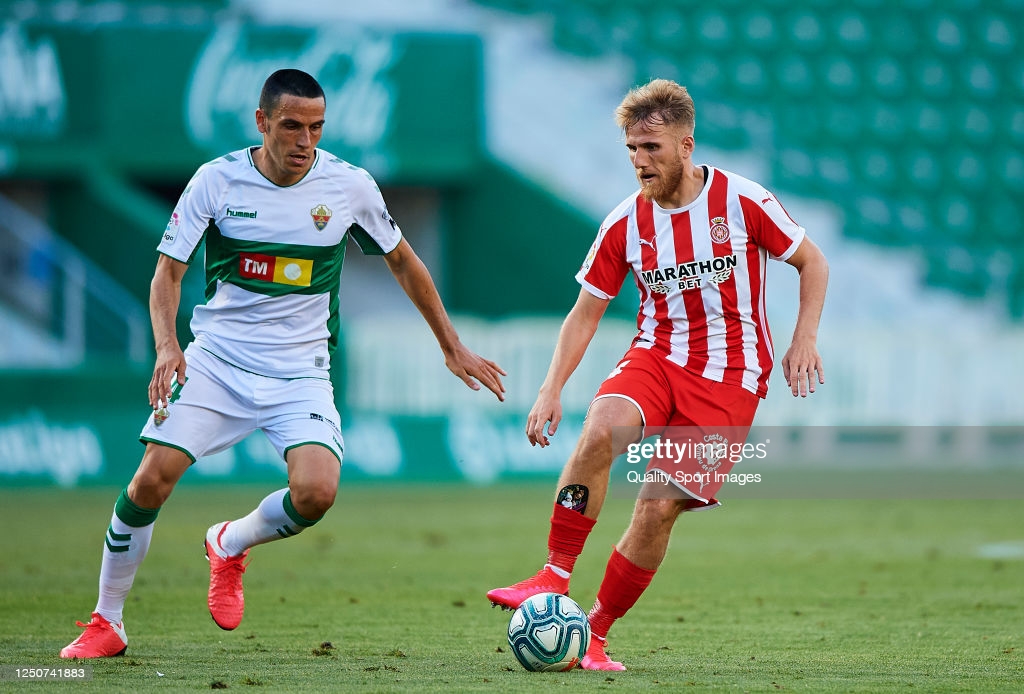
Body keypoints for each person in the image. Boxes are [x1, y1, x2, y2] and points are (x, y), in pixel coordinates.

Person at [60, 68, 506, 659]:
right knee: (151, 479)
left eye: (316, 128)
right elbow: (167, 273)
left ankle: (229, 542)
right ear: (261, 121)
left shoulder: (348, 186)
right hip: (216, 362)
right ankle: (106, 622)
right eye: (292, 126)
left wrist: (451, 344)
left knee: (318, 492)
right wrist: (168, 347)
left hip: (301, 373)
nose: (305, 141)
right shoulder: (216, 182)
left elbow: (404, 261)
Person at [486, 79, 828, 671]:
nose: (641, 161)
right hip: (658, 356)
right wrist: (550, 388)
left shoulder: (742, 202)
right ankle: (553, 573)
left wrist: (803, 338)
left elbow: (812, 261)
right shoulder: (625, 223)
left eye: (653, 148)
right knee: (601, 429)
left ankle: (594, 632)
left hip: (730, 377)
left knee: (657, 506)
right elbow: (585, 311)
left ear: (686, 145)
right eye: (632, 149)